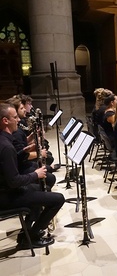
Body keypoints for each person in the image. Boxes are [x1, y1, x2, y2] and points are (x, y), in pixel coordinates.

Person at [0, 103, 65, 249]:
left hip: (7, 191)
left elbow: (11, 162)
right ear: (5, 121)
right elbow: (14, 181)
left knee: (45, 187)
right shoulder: (6, 147)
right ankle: (32, 237)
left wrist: (24, 151)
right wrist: (35, 174)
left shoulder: (4, 141)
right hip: (7, 196)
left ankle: (27, 229)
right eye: (15, 117)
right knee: (58, 199)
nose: (18, 120)